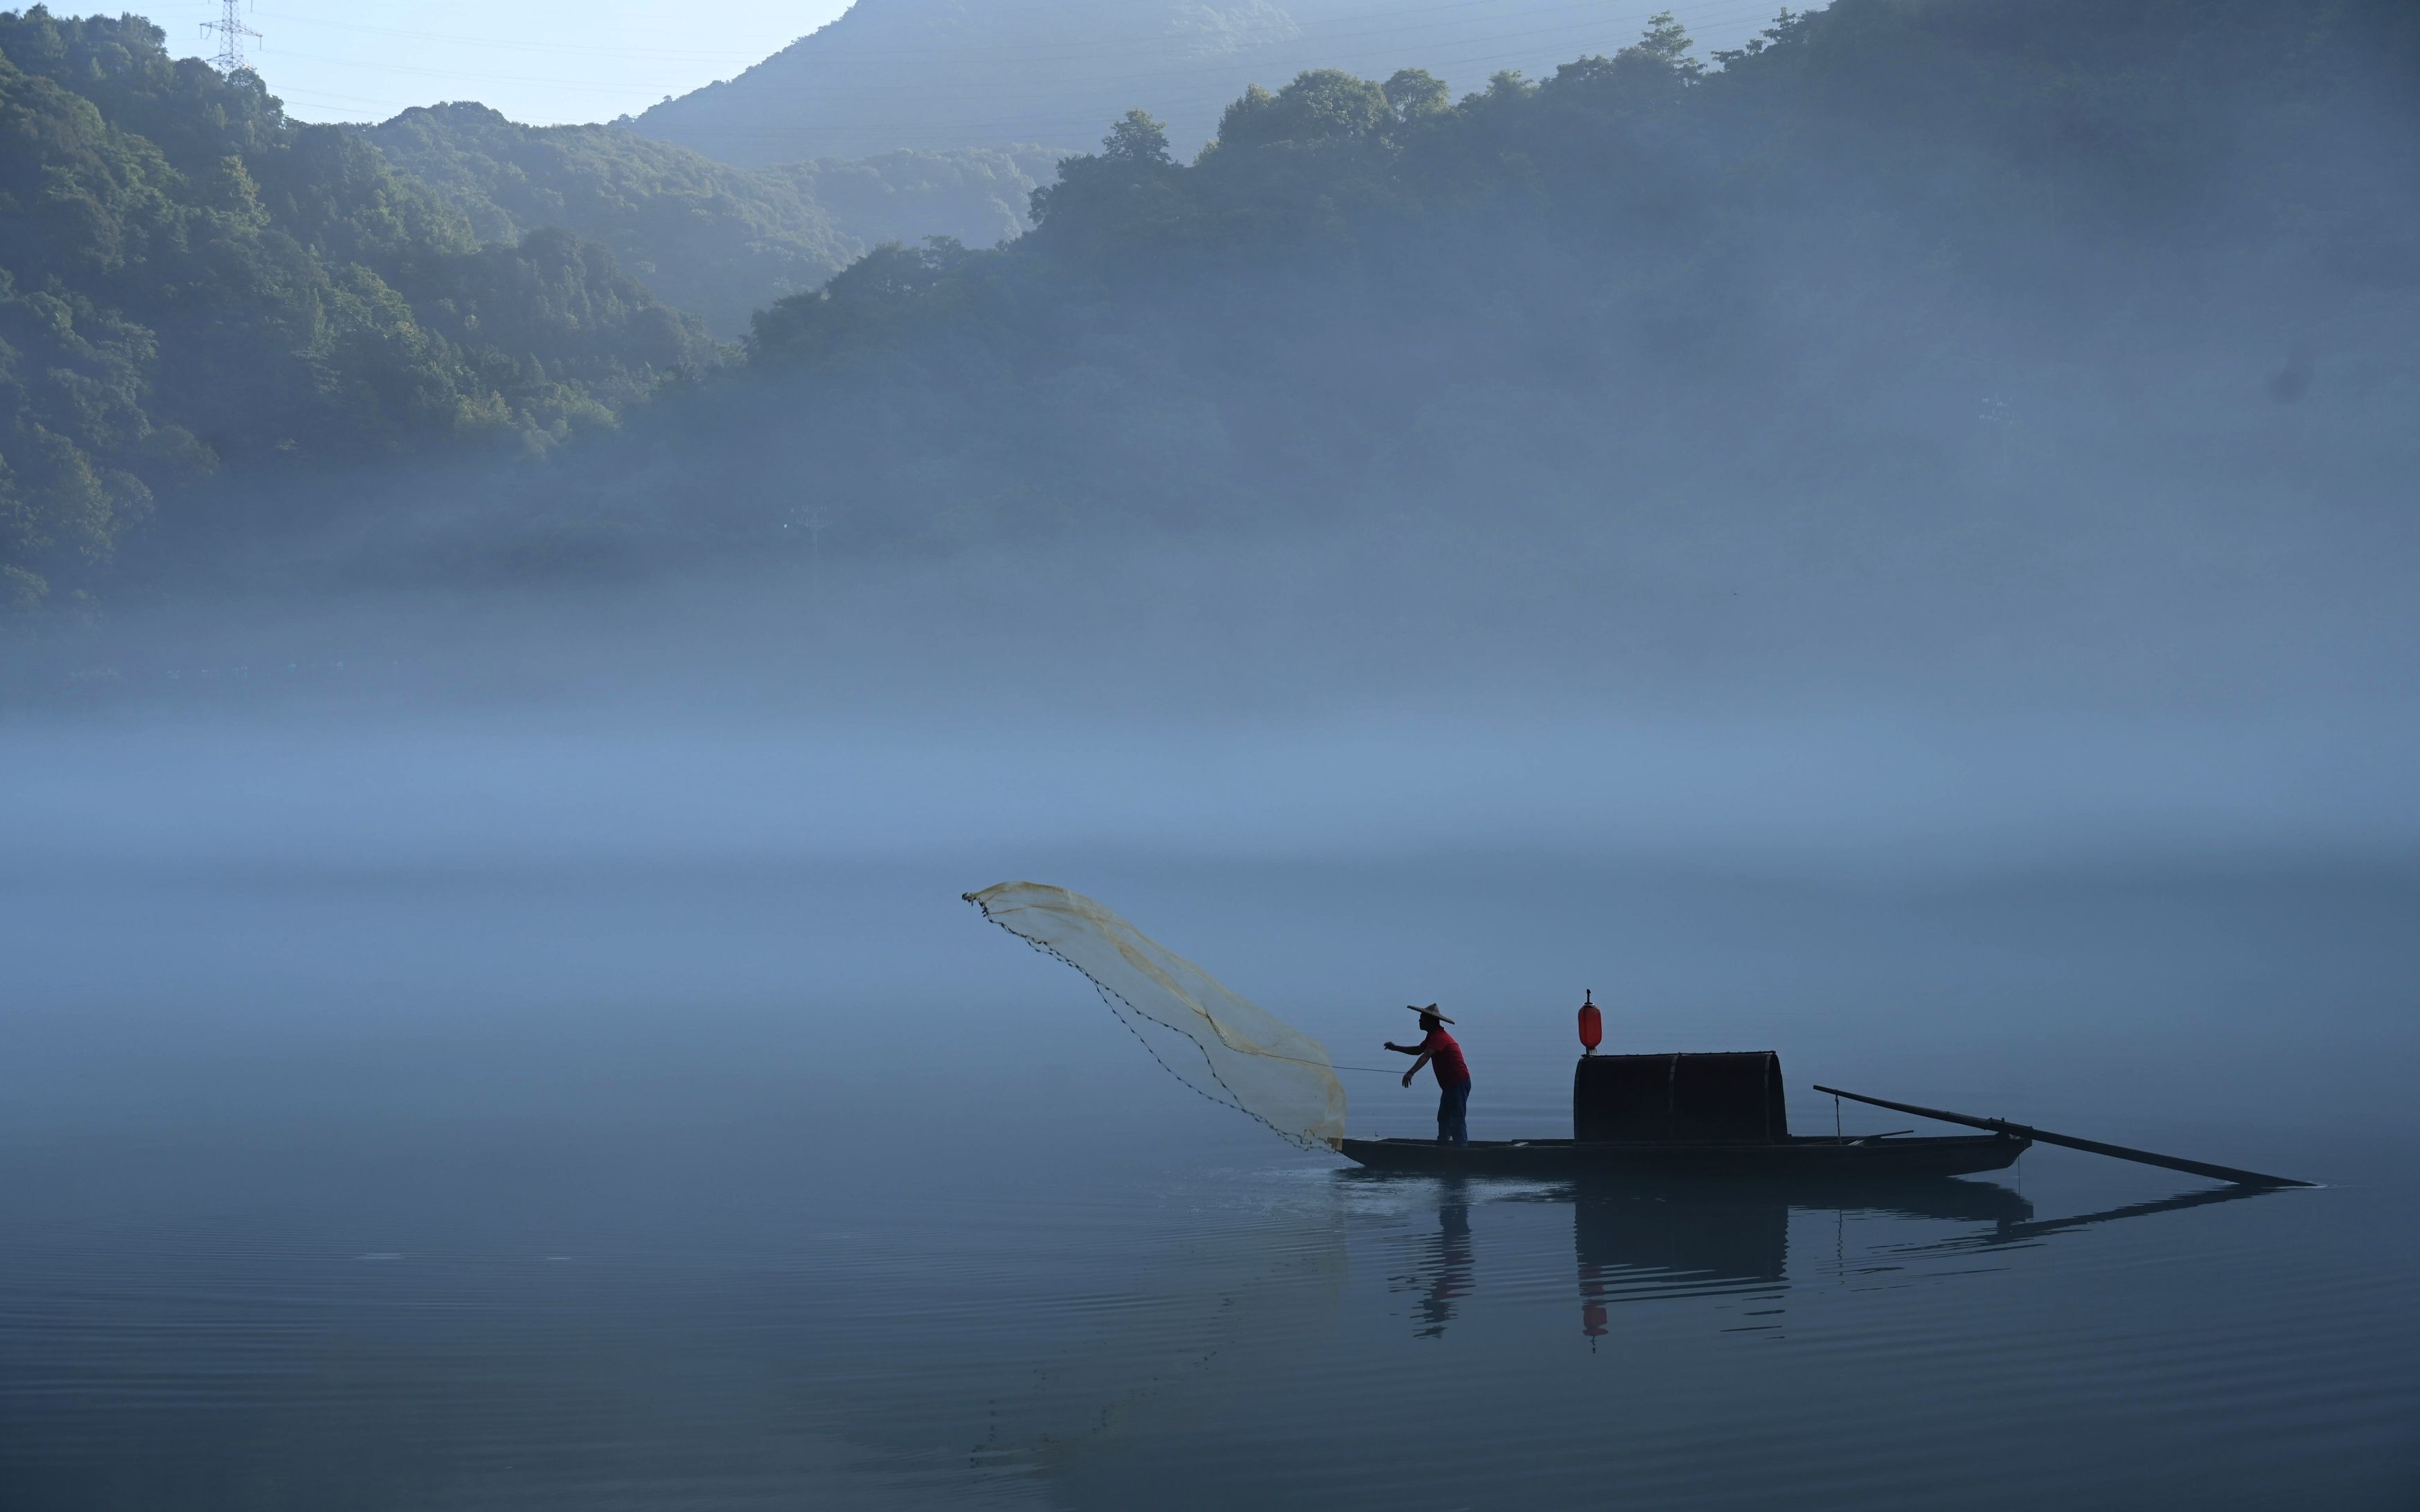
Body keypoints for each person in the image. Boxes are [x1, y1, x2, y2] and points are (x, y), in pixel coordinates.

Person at [1385, 1004, 1472, 1146]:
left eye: (1422, 1019)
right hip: (1450, 1085)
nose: (1419, 1021)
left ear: (1430, 1021)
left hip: (1458, 1082)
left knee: (1457, 1117)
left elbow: (1426, 1056)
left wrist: (1411, 1072)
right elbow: (1419, 1050)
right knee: (1443, 1117)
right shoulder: (1432, 1036)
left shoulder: (1439, 1037)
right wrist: (1395, 1048)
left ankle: (1461, 1151)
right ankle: (1443, 1146)